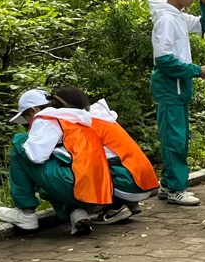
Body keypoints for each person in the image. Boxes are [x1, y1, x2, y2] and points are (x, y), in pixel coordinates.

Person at [0, 89, 112, 235]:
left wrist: (27, 139)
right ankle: (76, 212)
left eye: (26, 119)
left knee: (20, 146)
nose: (27, 125)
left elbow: (35, 156)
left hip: (74, 185)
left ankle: (26, 212)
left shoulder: (46, 119)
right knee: (48, 182)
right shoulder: (73, 118)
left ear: (33, 111)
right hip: (99, 192)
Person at [149, 0, 205, 206]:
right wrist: (196, 71)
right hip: (170, 88)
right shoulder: (167, 19)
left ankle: (169, 183)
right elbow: (164, 60)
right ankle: (176, 188)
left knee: (178, 137)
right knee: (174, 140)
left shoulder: (177, 16)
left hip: (178, 89)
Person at [50, 85, 159, 224]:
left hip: (128, 182)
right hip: (142, 180)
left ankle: (116, 207)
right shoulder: (101, 119)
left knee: (78, 169)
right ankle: (126, 202)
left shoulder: (83, 126)